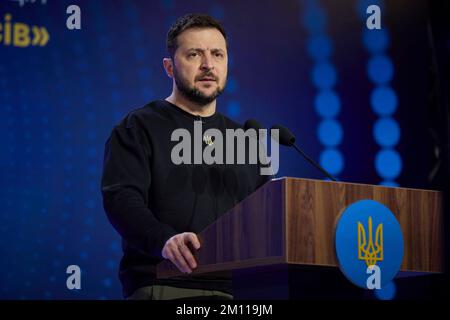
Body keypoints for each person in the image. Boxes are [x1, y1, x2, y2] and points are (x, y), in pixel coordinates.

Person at [101, 13, 269, 300]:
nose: (208, 65)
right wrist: (164, 239)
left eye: (217, 54)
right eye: (194, 54)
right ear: (169, 67)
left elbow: (267, 214)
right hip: (164, 285)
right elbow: (121, 198)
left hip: (236, 293)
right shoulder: (139, 127)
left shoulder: (247, 139)